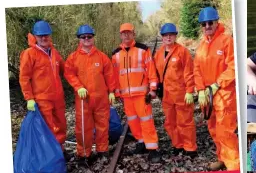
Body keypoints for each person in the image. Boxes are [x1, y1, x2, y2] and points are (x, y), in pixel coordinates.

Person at [194, 6, 239, 171]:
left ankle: (234, 168)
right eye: (204, 24)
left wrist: (217, 84)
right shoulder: (200, 47)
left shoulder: (227, 41)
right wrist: (200, 91)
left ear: (216, 22)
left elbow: (234, 66)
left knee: (225, 132)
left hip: (224, 94)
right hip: (208, 96)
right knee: (213, 129)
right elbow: (196, 71)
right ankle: (222, 159)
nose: (207, 26)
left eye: (210, 22)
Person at [64, 24, 115, 163]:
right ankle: (84, 154)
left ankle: (102, 150)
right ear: (79, 39)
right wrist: (78, 86)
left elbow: (110, 75)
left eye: (89, 37)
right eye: (83, 37)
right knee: (83, 128)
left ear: (93, 38)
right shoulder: (73, 58)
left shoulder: (102, 57)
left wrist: (111, 91)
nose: (86, 39)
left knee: (102, 125)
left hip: (101, 98)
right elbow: (68, 73)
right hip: (83, 99)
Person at [112, 23, 161, 163]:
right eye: (123, 33)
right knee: (133, 122)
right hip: (126, 97)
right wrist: (116, 93)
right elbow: (114, 76)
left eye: (129, 32)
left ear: (133, 34)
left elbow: (151, 70)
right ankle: (141, 142)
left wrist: (153, 90)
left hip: (141, 95)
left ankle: (152, 148)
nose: (126, 35)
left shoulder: (143, 50)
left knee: (146, 121)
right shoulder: (115, 54)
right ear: (120, 35)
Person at [19, 20, 67, 153]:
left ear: (50, 35)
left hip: (58, 97)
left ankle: (60, 151)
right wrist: (29, 98)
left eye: (46, 35)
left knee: (61, 125)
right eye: (41, 36)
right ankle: (50, 154)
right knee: (47, 127)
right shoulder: (29, 54)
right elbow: (24, 78)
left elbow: (66, 70)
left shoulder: (54, 53)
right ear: (35, 37)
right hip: (42, 99)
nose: (44, 38)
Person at [154, 23, 197, 158]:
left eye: (171, 35)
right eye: (165, 35)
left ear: (175, 36)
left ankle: (190, 148)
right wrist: (155, 89)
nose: (168, 37)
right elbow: (155, 73)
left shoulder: (182, 51)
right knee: (170, 122)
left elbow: (189, 72)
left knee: (185, 121)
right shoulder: (159, 53)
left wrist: (190, 90)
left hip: (181, 94)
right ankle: (177, 145)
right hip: (166, 96)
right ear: (162, 37)